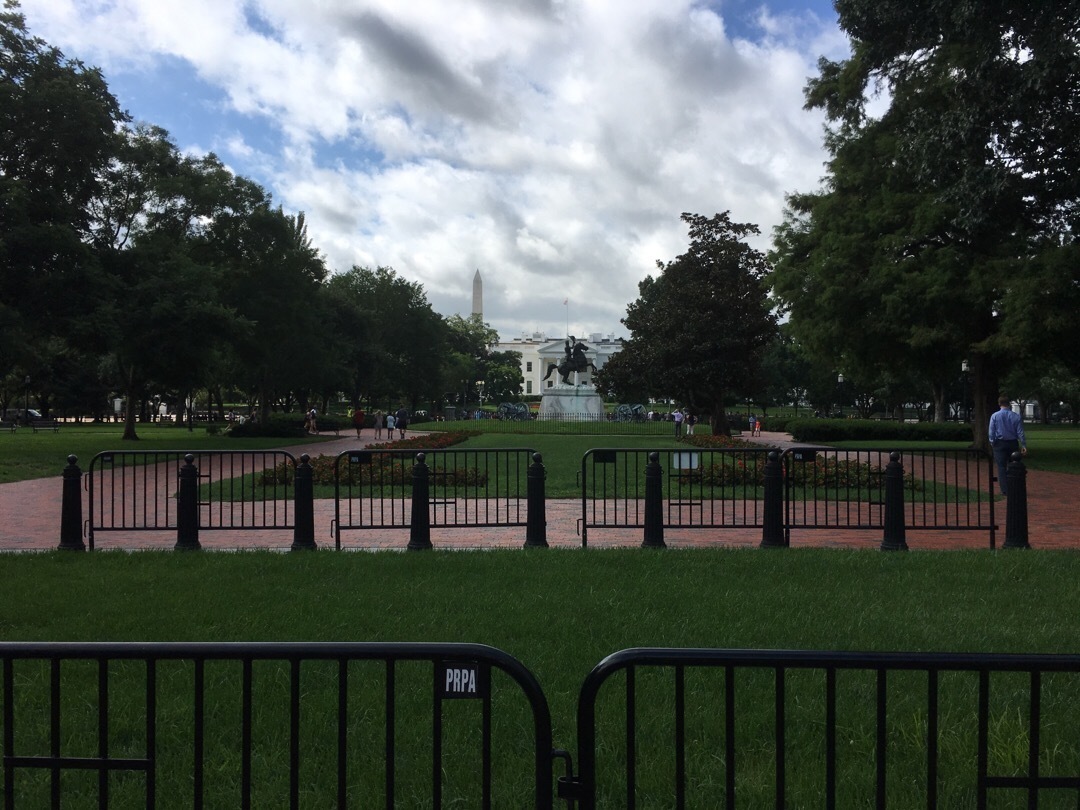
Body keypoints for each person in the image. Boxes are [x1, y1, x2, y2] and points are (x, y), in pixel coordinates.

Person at [988, 396, 1027, 495]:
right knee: (1013, 466)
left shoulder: (995, 416)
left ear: (999, 403)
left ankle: (1005, 489)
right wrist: (1023, 444)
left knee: (1001, 467)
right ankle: (1014, 487)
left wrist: (992, 442)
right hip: (1013, 442)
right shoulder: (1015, 416)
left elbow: (991, 431)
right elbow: (1020, 432)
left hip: (1000, 443)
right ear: (1009, 404)